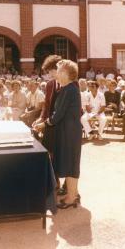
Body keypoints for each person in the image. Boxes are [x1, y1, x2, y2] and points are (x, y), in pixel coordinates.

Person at [34, 60, 82, 209]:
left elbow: (57, 115)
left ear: (67, 74)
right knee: (70, 164)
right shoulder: (68, 88)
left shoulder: (69, 89)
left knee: (71, 164)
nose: (57, 74)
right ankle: (71, 195)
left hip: (70, 133)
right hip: (68, 131)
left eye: (60, 71)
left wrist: (44, 123)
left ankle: (71, 198)